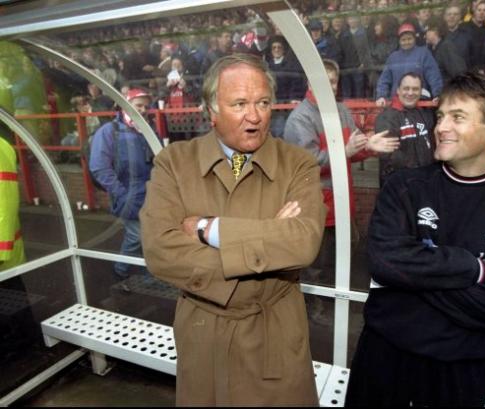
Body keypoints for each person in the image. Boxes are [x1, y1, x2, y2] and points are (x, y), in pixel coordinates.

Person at [345, 71, 485, 406]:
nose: (441, 127)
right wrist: (475, 269)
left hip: (458, 372)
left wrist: (416, 275)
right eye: (440, 116)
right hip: (383, 359)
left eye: (458, 117)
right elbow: (384, 262)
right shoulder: (404, 187)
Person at [139, 54, 326, 406]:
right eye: (239, 104)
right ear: (211, 110)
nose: (255, 116)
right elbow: (159, 250)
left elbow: (303, 242)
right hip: (204, 337)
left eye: (263, 103)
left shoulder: (298, 163)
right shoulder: (174, 163)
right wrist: (269, 238)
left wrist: (210, 230)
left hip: (274, 339)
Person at [283, 58, 398, 300]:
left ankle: (332, 306)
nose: (330, 86)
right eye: (323, 81)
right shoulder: (300, 118)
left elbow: (353, 149)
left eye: (333, 81)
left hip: (343, 202)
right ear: (310, 83)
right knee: (316, 264)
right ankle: (316, 310)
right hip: (316, 206)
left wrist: (370, 145)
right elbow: (307, 164)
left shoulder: (342, 111)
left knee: (341, 260)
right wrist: (344, 152)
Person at [89, 88, 155, 288]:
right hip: (128, 196)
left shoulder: (147, 131)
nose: (143, 110)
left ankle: (143, 271)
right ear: (125, 105)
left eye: (145, 106)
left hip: (149, 195)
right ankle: (121, 270)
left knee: (145, 234)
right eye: (138, 105)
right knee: (138, 235)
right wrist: (121, 194)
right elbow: (99, 167)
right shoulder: (109, 131)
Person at [375, 72, 436, 186]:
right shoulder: (387, 117)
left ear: (420, 91)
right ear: (398, 90)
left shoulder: (424, 112)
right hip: (399, 187)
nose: (410, 93)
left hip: (424, 183)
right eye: (406, 88)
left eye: (415, 89)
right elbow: (390, 158)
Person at [375, 23, 443, 106]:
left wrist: (437, 94)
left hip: (419, 101)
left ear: (414, 39)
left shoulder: (423, 53)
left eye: (409, 39)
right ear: (399, 41)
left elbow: (433, 75)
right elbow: (384, 79)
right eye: (403, 40)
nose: (406, 42)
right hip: (397, 102)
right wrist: (381, 96)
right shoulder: (393, 57)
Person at [0, 136, 26, 271]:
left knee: (11, 290)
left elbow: (4, 202)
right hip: (6, 255)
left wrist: (1, 253)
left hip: (4, 260)